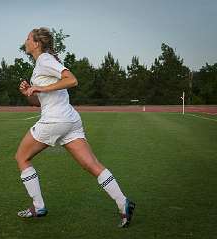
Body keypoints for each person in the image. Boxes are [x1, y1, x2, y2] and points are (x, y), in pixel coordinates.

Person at [15, 27, 135, 228]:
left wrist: (40, 87)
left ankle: (38, 206)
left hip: (55, 120)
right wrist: (29, 92)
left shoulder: (44, 60)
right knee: (92, 165)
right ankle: (123, 203)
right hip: (70, 120)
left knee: (21, 157)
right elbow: (39, 103)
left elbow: (72, 80)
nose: (25, 41)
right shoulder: (42, 64)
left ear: (36, 43)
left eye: (28, 38)